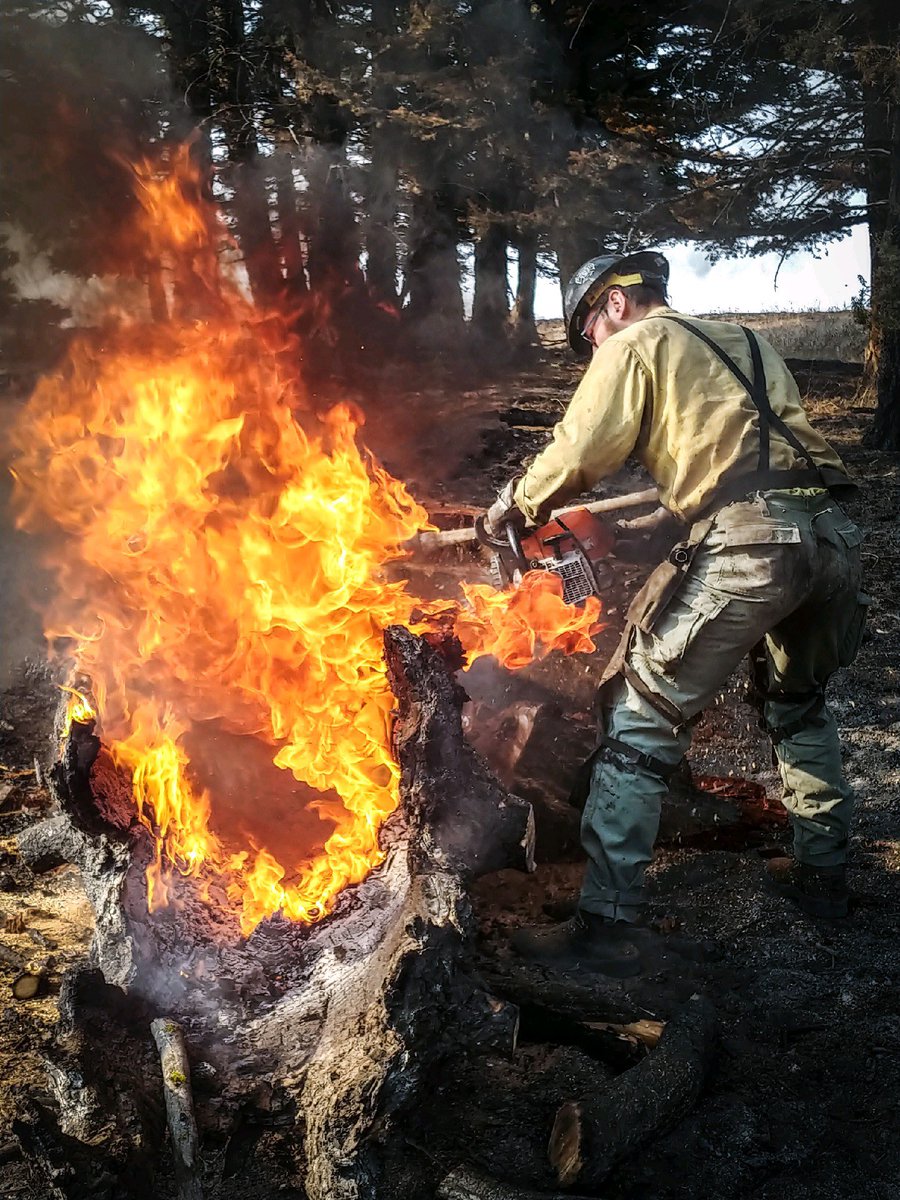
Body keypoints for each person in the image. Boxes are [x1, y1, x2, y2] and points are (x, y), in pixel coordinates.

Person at [482, 250, 867, 977]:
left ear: (614, 305)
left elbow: (583, 448)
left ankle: (607, 929)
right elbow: (754, 468)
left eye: (588, 331)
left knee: (639, 713)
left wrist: (514, 503)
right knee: (798, 703)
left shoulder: (635, 342)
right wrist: (627, 534)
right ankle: (825, 878)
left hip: (753, 543)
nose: (593, 346)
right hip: (830, 537)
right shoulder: (746, 342)